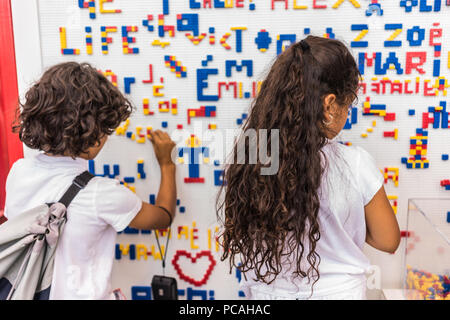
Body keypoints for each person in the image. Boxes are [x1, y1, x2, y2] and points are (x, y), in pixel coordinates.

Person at [217, 35, 400, 300]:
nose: (347, 113)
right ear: (329, 105)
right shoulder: (354, 163)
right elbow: (388, 239)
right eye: (347, 104)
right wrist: (346, 225)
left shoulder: (255, 154)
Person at [4, 62, 177, 299]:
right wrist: (167, 164)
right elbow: (162, 217)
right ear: (93, 133)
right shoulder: (102, 194)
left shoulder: (19, 171)